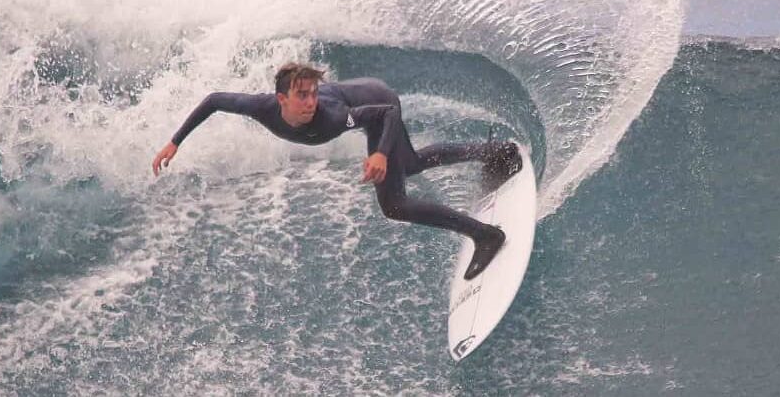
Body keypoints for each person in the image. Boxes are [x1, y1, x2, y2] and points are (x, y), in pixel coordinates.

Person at [151, 63, 522, 280]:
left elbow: (386, 114)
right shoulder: (262, 107)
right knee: (409, 163)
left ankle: (486, 235)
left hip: (376, 102)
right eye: (302, 96)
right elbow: (215, 100)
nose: (310, 102)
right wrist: (174, 142)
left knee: (395, 203)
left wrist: (378, 153)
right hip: (365, 96)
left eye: (313, 93)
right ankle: (497, 153)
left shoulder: (329, 116)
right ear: (282, 100)